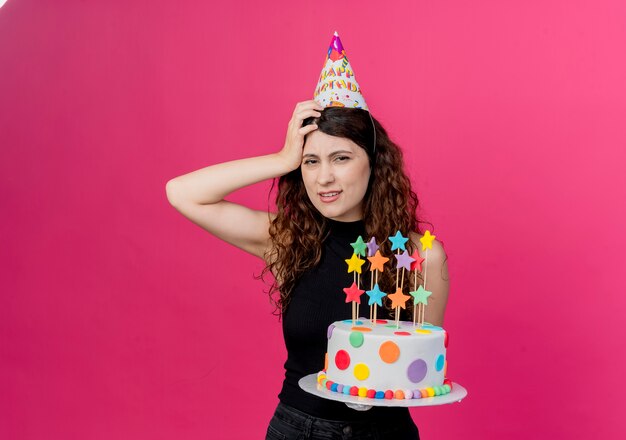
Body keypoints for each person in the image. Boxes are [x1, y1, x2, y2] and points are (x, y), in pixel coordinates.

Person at [165, 99, 449, 439]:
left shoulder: (421, 255)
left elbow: (416, 364)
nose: (324, 177)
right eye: (310, 162)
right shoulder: (288, 241)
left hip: (386, 432)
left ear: (374, 163)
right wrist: (282, 159)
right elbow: (182, 193)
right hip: (298, 429)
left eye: (341, 158)